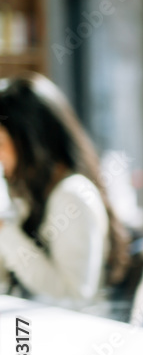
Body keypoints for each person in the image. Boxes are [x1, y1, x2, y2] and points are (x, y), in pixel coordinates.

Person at [0, 73, 129, 307]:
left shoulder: (72, 197)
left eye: (0, 143)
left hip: (67, 336)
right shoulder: (34, 196)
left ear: (31, 141)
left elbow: (73, 297)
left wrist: (4, 231)